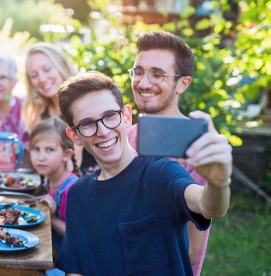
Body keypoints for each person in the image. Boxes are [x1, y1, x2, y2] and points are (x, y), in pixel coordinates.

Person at [56, 71, 232, 275]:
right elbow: (75, 269)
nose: (103, 131)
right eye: (87, 124)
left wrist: (218, 182)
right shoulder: (78, 195)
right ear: (74, 135)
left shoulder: (160, 173)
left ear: (126, 117)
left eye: (110, 116)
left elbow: (208, 205)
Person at [127, 31, 209, 275]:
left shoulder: (195, 145)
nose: (143, 83)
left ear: (182, 83)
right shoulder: (123, 137)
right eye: (138, 71)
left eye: (158, 74)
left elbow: (192, 251)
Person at [23, 43, 97, 174]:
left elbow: (73, 167)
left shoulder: (81, 107)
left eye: (47, 69)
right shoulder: (41, 113)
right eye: (34, 75)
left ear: (61, 66)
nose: (42, 79)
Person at [30, 118, 79, 276]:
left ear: (66, 155)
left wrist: (51, 218)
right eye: (36, 149)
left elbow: (76, 235)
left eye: (49, 150)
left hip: (63, 267)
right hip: (47, 257)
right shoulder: (50, 182)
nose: (40, 157)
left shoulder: (71, 190)